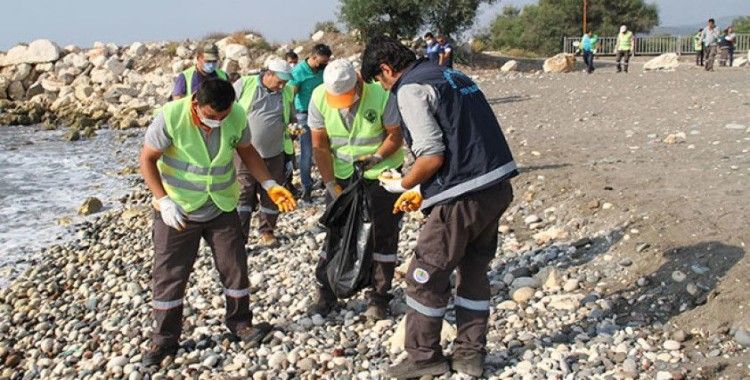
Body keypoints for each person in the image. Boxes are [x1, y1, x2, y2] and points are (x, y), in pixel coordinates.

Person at [362, 36, 517, 379]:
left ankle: (423, 358)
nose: (383, 88)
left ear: (386, 69)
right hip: (495, 186)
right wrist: (422, 186)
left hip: (461, 195)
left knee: (424, 277)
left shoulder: (409, 88)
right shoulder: (453, 75)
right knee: (474, 271)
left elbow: (432, 154)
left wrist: (402, 183)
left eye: (379, 80)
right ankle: (470, 356)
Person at [139, 79, 296, 366]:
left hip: (221, 205)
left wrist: (269, 182)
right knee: (169, 275)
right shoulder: (171, 116)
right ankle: (164, 340)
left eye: (223, 117)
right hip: (178, 208)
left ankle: (241, 324)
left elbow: (247, 151)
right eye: (212, 116)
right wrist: (163, 200)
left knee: (235, 266)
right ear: (196, 103)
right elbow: (147, 160)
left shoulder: (235, 115)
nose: (218, 122)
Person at [307, 59, 406, 320]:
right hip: (343, 177)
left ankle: (379, 296)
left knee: (383, 236)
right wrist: (330, 184)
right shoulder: (319, 97)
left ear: (358, 83)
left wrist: (376, 156)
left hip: (382, 175)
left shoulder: (381, 94)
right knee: (336, 232)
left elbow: (395, 134)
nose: (345, 103)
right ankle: (326, 290)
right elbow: (320, 146)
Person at [233, 59, 295, 247]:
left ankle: (267, 231)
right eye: (279, 82)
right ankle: (239, 236)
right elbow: (226, 109)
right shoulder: (245, 84)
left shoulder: (286, 92)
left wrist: (294, 127)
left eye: (285, 83)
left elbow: (290, 117)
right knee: (243, 193)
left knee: (272, 193)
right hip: (244, 152)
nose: (282, 86)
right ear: (268, 75)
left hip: (274, 152)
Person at [288, 44, 332, 202]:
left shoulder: (323, 70)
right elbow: (290, 97)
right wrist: (291, 119)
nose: (323, 65)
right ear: (313, 58)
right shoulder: (299, 72)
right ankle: (306, 187)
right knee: (307, 152)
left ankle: (329, 181)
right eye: (321, 62)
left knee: (327, 148)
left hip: (323, 114)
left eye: (326, 62)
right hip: (304, 116)